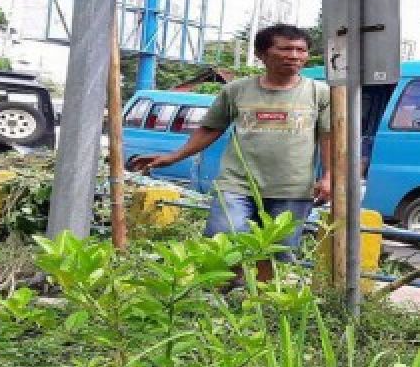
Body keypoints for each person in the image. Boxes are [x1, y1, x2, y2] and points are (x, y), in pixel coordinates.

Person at [128, 24, 332, 281]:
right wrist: (174, 156)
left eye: (300, 50)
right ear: (262, 54)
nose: (294, 56)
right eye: (285, 49)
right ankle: (223, 296)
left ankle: (261, 303)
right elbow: (210, 128)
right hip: (237, 184)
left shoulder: (319, 93)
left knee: (276, 253)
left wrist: (328, 176)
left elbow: (328, 137)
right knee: (223, 240)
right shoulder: (236, 90)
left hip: (292, 187)